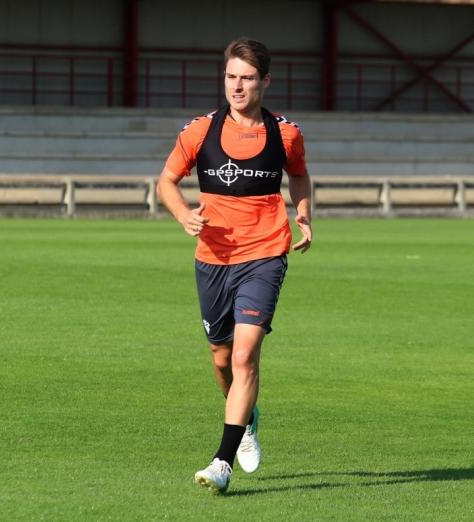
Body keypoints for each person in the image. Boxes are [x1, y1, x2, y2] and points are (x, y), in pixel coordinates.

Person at [156, 37, 312, 493]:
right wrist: (183, 213)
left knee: (245, 355)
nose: (237, 87)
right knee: (222, 360)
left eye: (246, 78)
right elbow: (166, 181)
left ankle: (221, 462)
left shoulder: (286, 133)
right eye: (230, 77)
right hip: (213, 260)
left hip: (265, 254)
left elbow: (299, 174)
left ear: (265, 80)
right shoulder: (200, 131)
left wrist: (302, 213)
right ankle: (247, 419)